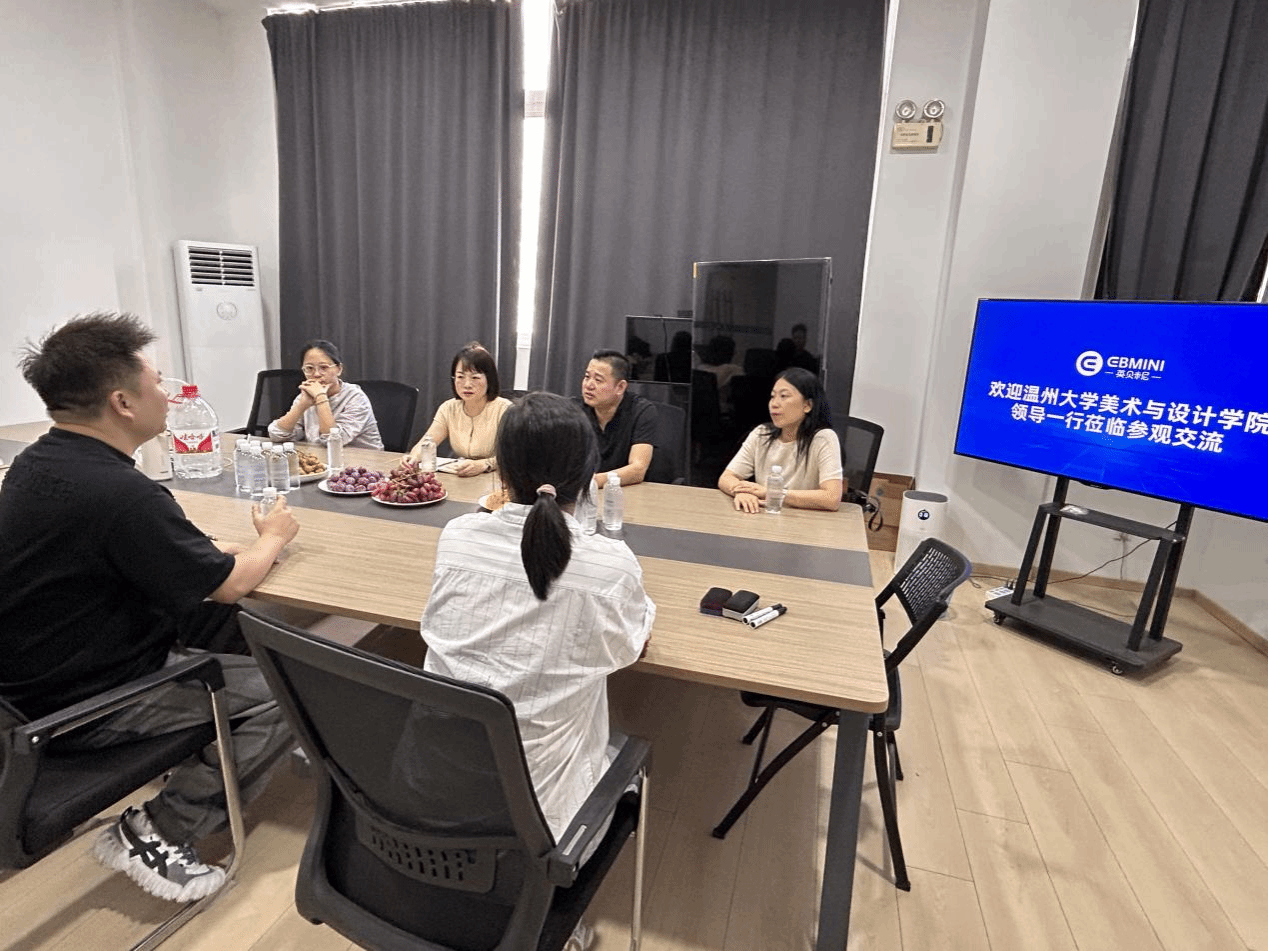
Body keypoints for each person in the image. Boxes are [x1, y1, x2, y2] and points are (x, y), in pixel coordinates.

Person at [0, 311, 300, 902]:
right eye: (158, 382)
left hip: (31, 675)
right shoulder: (120, 493)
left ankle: (206, 748)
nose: (167, 394)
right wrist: (273, 538)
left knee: (231, 623)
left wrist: (200, 552)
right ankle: (161, 828)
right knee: (290, 688)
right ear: (122, 402)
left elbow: (116, 551)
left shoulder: (39, 463)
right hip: (79, 702)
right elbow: (232, 583)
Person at [420, 391, 653, 858]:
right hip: (545, 833)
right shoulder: (610, 565)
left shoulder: (458, 537)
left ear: (501, 472)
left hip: (430, 800)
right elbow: (635, 645)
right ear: (587, 476)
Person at [718, 366, 843, 512]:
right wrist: (741, 492)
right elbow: (727, 477)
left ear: (807, 405)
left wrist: (772, 493)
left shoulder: (823, 438)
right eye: (772, 396)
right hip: (765, 516)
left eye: (784, 396)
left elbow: (831, 498)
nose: (774, 404)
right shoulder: (761, 434)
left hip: (806, 519)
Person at [406, 341, 511, 476]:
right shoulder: (448, 408)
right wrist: (412, 458)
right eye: (460, 376)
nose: (467, 384)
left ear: (489, 379)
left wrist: (486, 464)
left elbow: (516, 456)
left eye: (475, 377)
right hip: (463, 477)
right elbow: (426, 443)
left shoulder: (505, 410)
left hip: (496, 480)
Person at [268, 338, 383, 449]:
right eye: (309, 368)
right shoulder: (305, 397)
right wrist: (301, 405)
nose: (316, 374)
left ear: (339, 369)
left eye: (324, 367)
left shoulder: (356, 397)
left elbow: (333, 441)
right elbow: (276, 435)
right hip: (323, 458)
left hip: (365, 459)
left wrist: (321, 398)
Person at [579, 349, 657, 488]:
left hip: (627, 491)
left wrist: (591, 482)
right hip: (583, 493)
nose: (589, 385)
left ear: (620, 387)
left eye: (598, 380)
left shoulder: (641, 411)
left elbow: (638, 470)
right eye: (587, 377)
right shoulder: (574, 410)